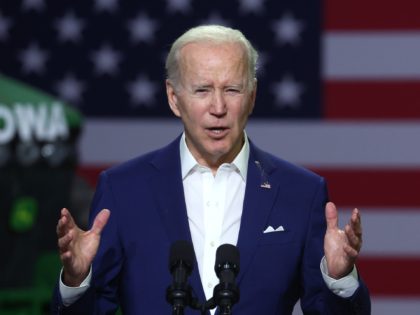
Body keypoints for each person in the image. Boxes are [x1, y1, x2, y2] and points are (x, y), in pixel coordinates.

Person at [52, 25, 371, 314]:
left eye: (232, 90)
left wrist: (339, 279)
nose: (218, 108)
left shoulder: (300, 192)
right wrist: (77, 282)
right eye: (202, 90)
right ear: (174, 98)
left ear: (252, 96)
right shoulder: (123, 190)